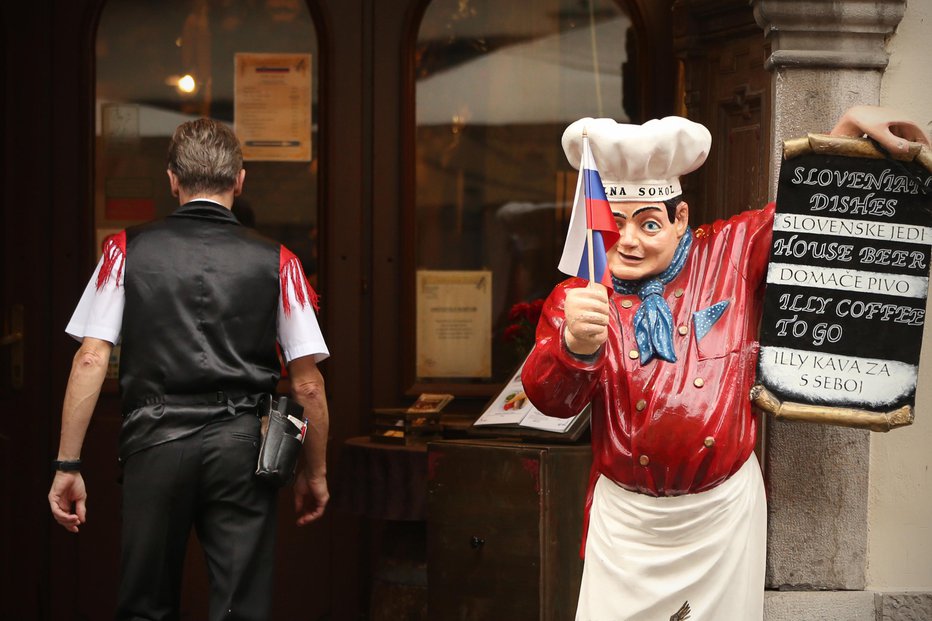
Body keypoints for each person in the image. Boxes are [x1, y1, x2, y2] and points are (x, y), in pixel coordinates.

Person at [521, 105, 930, 621]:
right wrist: (575, 347)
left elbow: (804, 215)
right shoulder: (580, 293)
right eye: (613, 224)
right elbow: (549, 399)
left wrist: (845, 135)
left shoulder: (729, 251)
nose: (626, 240)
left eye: (647, 223)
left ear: (679, 218)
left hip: (720, 516)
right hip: (627, 522)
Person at [47, 118, 331, 620]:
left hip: (155, 442)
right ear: (240, 179)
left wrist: (68, 465)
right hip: (245, 450)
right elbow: (307, 382)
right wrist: (316, 471)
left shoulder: (125, 250)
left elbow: (91, 357)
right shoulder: (278, 260)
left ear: (172, 179)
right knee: (241, 610)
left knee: (145, 606)